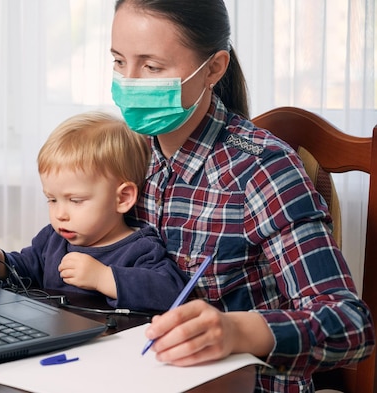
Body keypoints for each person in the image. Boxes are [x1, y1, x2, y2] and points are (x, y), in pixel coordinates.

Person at [109, 0, 374, 392]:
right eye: (118, 62)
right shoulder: (126, 151)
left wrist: (238, 331)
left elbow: (350, 327)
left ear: (213, 68)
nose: (129, 82)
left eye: (152, 67)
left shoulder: (263, 169)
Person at [0, 111, 187, 312]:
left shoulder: (140, 248)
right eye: (51, 200)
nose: (60, 214)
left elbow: (171, 293)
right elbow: (21, 275)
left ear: (122, 198)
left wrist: (103, 277)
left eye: (75, 200)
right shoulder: (53, 239)